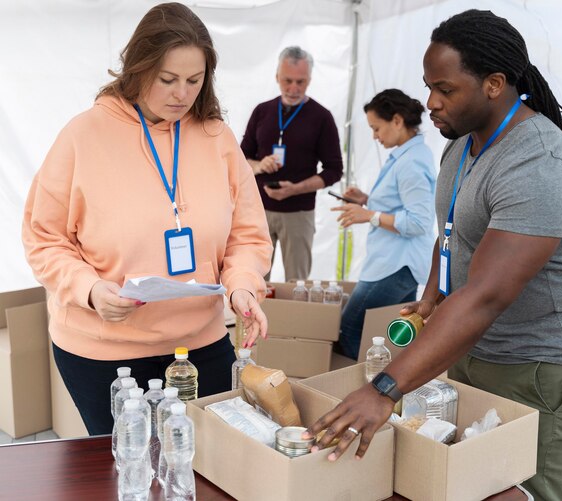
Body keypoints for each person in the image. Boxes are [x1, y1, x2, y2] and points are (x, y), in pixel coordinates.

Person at [304, 10, 562, 501]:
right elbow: (451, 233)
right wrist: (431, 297)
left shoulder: (540, 165)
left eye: (444, 89)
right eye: (429, 86)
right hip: (477, 346)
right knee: (471, 483)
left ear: (494, 83)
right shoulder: (462, 144)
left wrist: (386, 387)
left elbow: (487, 295)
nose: (430, 102)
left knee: (527, 493)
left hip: (545, 365)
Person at [22, 2, 272, 436]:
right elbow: (44, 238)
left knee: (206, 467)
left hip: (201, 344)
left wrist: (243, 285)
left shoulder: (217, 137)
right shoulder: (83, 135)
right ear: (138, 69)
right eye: (168, 79)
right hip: (103, 353)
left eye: (194, 81)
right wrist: (90, 289)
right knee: (130, 470)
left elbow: (247, 234)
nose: (182, 94)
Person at [332, 89, 436, 360]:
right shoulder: (406, 156)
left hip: (396, 265)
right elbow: (401, 204)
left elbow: (419, 221)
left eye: (376, 128)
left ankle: (365, 391)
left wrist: (369, 215)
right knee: (395, 338)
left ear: (398, 121)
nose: (375, 136)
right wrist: (367, 200)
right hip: (396, 263)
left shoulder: (411, 162)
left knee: (349, 330)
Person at [240, 46, 343, 281]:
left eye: (301, 82)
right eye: (288, 81)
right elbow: (240, 157)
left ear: (309, 80)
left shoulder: (322, 117)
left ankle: (294, 319)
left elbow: (334, 170)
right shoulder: (262, 111)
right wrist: (258, 165)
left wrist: (295, 189)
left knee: (297, 283)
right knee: (254, 279)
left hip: (299, 213)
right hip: (259, 210)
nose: (294, 88)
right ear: (277, 77)